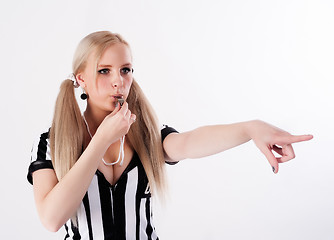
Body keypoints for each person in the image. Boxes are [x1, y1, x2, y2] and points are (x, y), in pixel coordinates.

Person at [27, 31, 313, 240]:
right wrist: (102, 138)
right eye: (104, 71)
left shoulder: (145, 136)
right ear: (81, 79)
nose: (118, 81)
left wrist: (250, 128)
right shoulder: (50, 144)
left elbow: (189, 143)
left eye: (125, 70)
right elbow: (51, 219)